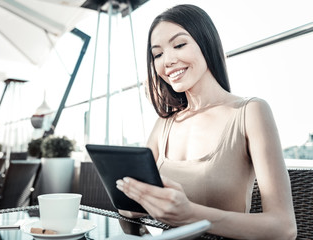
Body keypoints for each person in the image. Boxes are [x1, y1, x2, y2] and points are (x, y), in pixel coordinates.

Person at [116, 4, 297, 239]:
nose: (167, 61)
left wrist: (189, 214)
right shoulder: (164, 124)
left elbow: (284, 227)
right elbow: (128, 207)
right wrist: (131, 201)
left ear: (206, 43)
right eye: (157, 54)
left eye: (179, 45)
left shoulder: (250, 112)